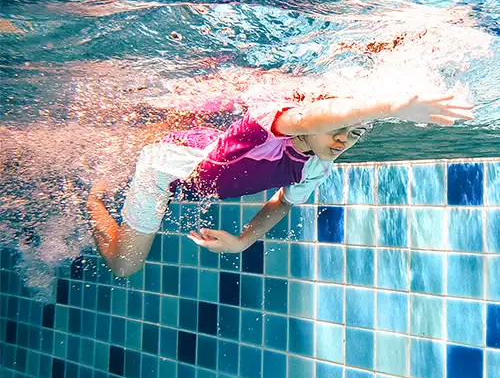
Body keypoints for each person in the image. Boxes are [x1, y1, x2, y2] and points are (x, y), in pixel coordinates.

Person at [87, 92, 474, 277]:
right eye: (338, 128)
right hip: (163, 169)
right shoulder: (268, 124)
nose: (343, 140)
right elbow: (315, 116)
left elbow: (284, 202)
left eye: (355, 134)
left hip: (195, 167)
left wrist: (243, 241)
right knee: (124, 266)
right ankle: (92, 199)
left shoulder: (317, 166)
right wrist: (389, 104)